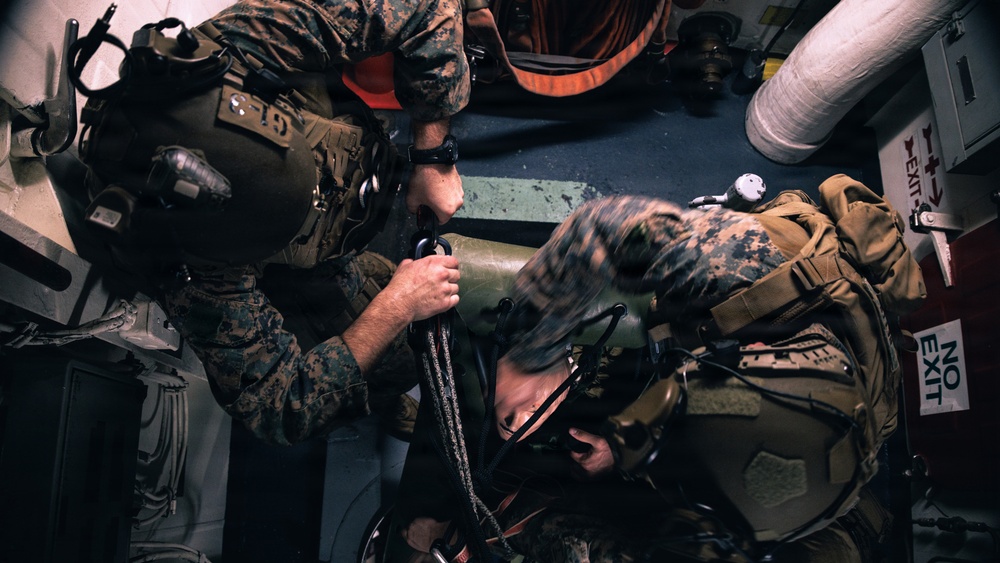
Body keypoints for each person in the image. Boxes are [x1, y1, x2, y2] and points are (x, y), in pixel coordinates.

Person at [391, 174, 925, 562]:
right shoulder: (751, 264)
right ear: (747, 352)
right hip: (736, 298)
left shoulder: (809, 488)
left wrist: (623, 458)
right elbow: (599, 229)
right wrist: (536, 359)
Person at [75, 0, 473, 445]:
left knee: (388, 326)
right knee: (393, 361)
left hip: (360, 190)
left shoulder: (238, 49)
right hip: (302, 271)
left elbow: (426, 6)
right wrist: (397, 306)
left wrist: (433, 157)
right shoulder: (191, 269)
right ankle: (375, 392)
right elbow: (279, 409)